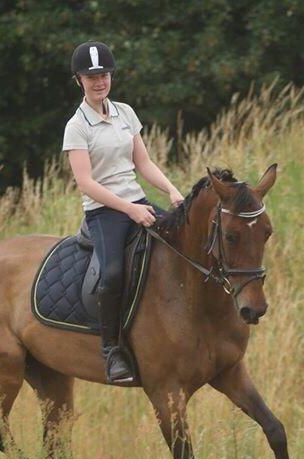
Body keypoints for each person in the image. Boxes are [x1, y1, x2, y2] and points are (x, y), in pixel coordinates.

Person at [62, 41, 184, 384]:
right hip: (104, 212)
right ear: (79, 80)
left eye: (103, 75)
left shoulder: (125, 113)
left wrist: (171, 191)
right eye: (91, 76)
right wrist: (130, 209)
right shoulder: (77, 127)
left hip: (136, 201)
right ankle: (112, 350)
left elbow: (142, 162)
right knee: (112, 273)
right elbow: (85, 182)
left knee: (182, 245)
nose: (99, 82)